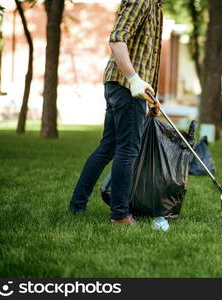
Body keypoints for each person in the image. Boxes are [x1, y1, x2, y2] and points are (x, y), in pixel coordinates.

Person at [68, 0, 163, 225]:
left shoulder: (156, 7)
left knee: (107, 147)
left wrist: (149, 94)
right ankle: (120, 215)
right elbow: (117, 38)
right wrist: (133, 79)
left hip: (126, 86)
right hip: (125, 85)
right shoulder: (142, 0)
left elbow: (145, 57)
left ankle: (76, 205)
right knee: (127, 149)